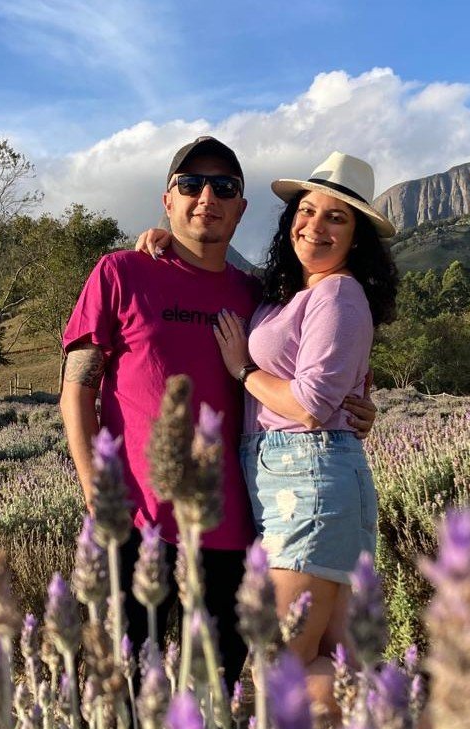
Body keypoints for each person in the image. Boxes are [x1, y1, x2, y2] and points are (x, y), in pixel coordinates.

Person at [60, 138, 378, 691]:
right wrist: (94, 489)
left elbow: (316, 366)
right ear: (168, 199)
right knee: (120, 692)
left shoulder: (258, 296)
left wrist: (357, 408)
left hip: (235, 529)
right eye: (190, 184)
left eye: (224, 187)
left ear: (241, 208)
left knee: (224, 695)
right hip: (136, 520)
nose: (207, 196)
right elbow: (76, 389)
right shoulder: (121, 272)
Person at [140, 151, 398, 712]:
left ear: (357, 237)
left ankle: (440, 710)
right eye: (307, 211)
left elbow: (309, 405)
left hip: (309, 481)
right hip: (297, 480)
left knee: (277, 668)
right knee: (338, 661)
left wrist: (243, 371)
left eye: (336, 217)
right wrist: (166, 241)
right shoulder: (291, 293)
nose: (316, 225)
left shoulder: (337, 293)